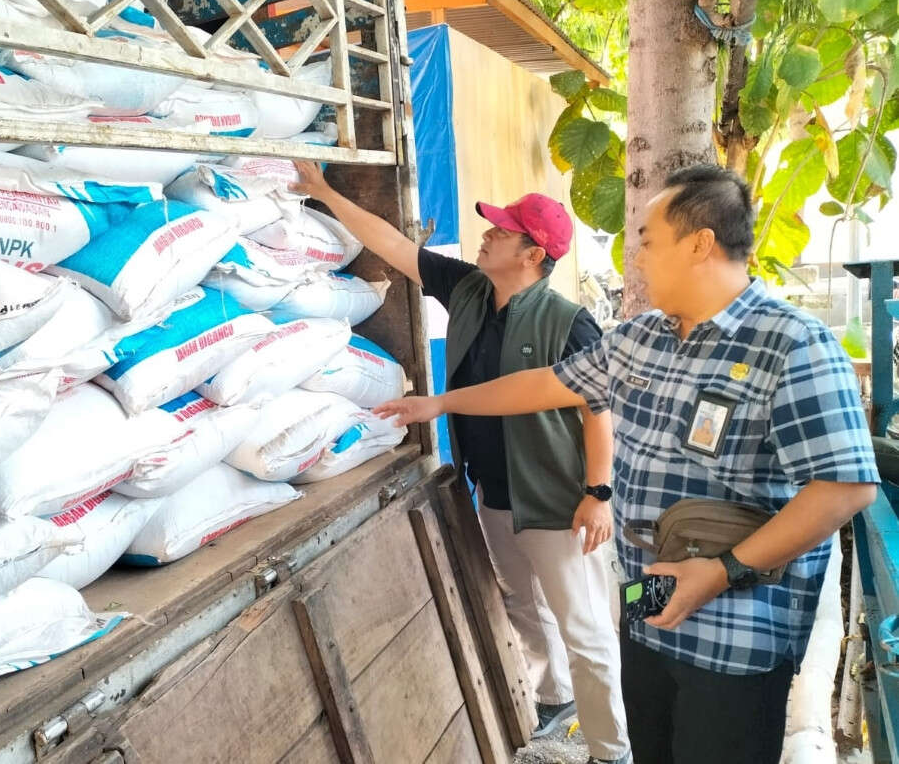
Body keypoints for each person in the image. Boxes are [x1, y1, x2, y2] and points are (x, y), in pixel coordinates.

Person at [374, 164, 879, 764]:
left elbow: (845, 489)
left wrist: (721, 571)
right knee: (650, 744)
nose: (635, 258)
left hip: (735, 628)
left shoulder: (792, 343)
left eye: (647, 241)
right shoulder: (641, 337)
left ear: (700, 244)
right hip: (647, 603)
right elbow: (541, 385)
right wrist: (440, 403)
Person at [292, 162, 631, 764]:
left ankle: (612, 750)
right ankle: (555, 701)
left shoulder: (568, 322)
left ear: (533, 254)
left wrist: (598, 493)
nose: (487, 235)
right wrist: (323, 192)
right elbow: (394, 245)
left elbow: (598, 408)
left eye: (502, 232)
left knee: (584, 629)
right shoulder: (470, 288)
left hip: (558, 502)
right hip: (495, 492)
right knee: (523, 605)